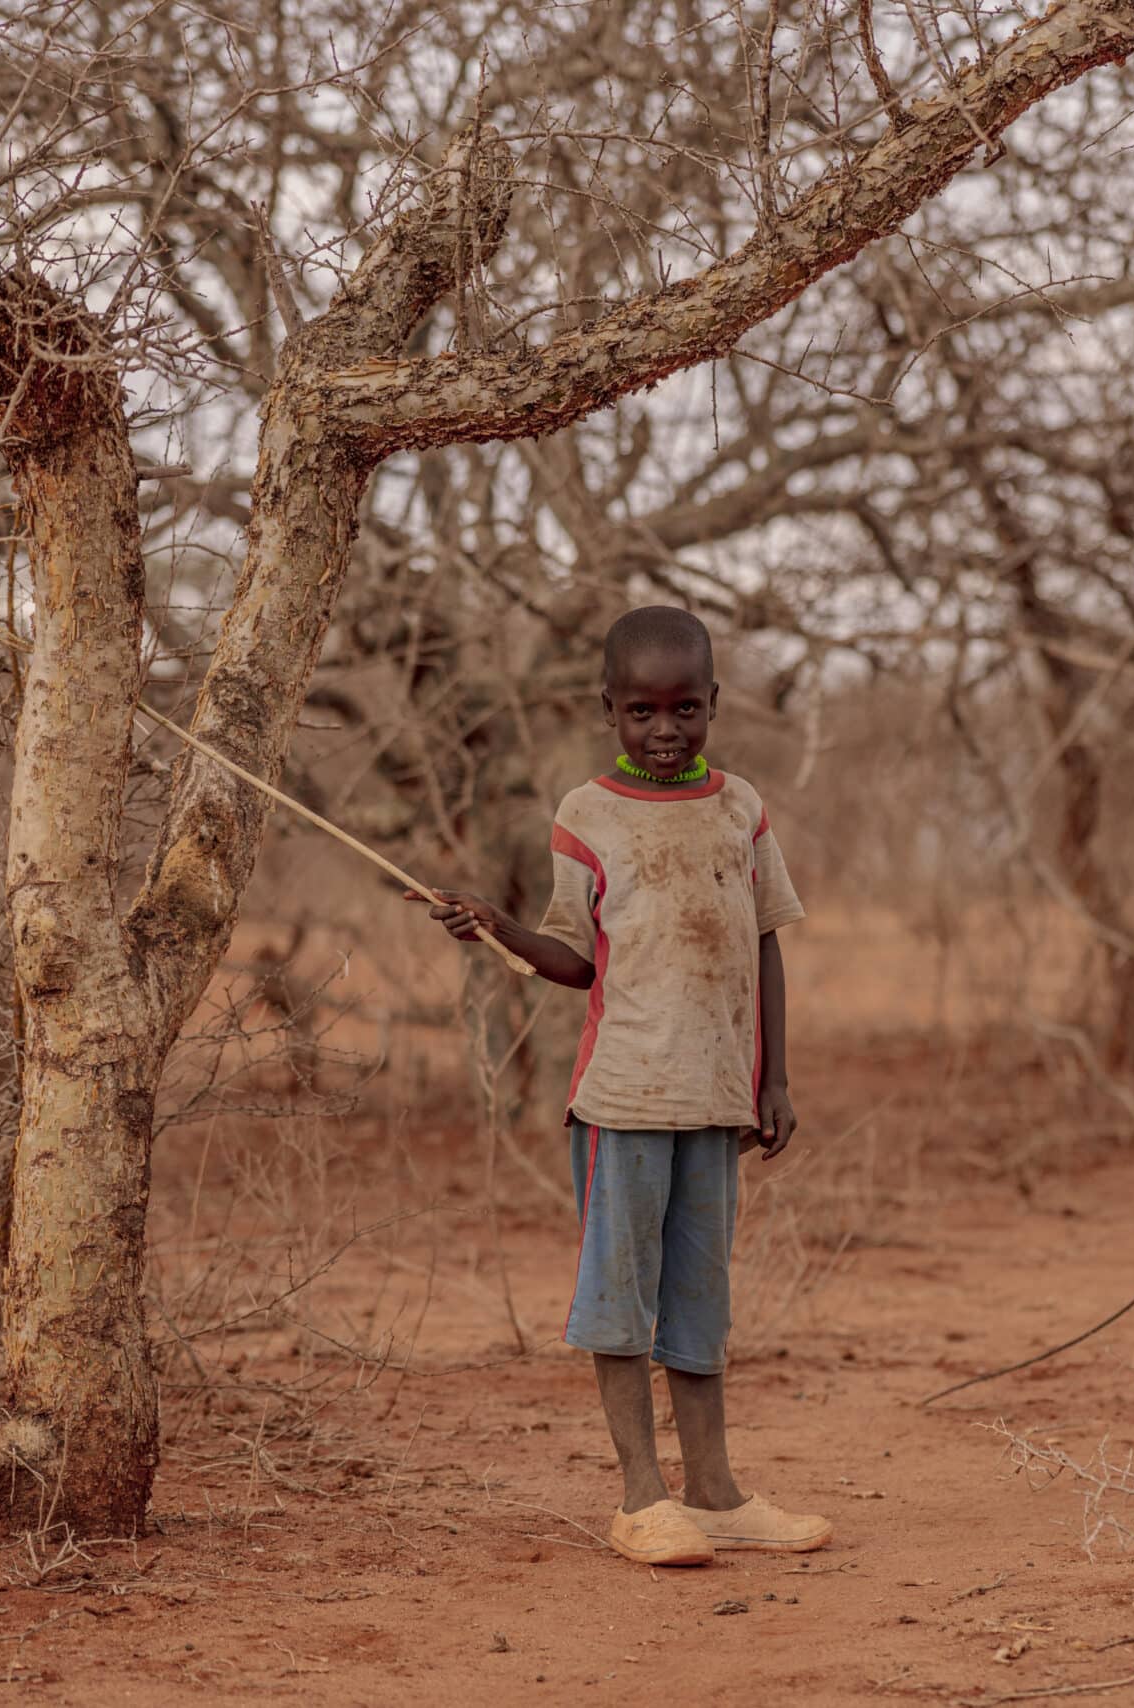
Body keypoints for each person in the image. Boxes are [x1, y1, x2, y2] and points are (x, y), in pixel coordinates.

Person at [418, 606, 832, 1566]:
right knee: (622, 1297)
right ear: (608, 708)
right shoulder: (585, 814)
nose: (665, 730)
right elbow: (574, 961)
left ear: (715, 704)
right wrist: (495, 926)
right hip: (626, 1100)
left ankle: (717, 1494)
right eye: (641, 710)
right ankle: (642, 1499)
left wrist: (773, 1079)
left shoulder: (742, 807)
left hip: (720, 1098)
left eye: (686, 708)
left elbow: (764, 944)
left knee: (700, 1299)